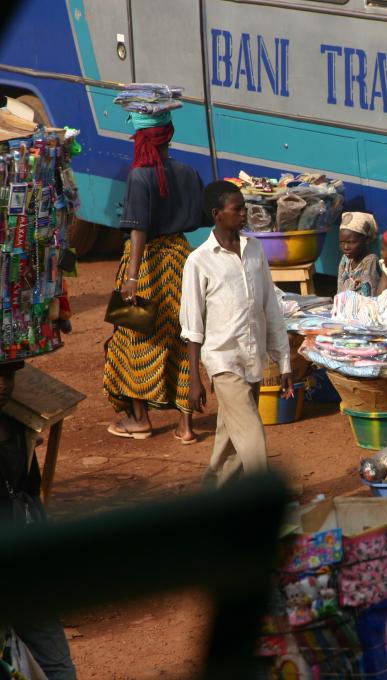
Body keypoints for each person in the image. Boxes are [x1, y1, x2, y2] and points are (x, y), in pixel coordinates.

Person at [180, 181, 292, 486]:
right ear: (217, 214)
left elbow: (270, 307)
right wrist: (194, 379)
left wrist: (283, 362)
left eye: (245, 208)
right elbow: (192, 326)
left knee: (230, 438)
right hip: (223, 361)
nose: (244, 214)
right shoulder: (199, 261)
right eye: (237, 209)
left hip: (252, 358)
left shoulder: (254, 250)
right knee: (251, 432)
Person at [102, 107, 202, 444]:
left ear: (142, 139)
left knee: (134, 337)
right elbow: (199, 216)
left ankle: (139, 419)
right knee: (183, 335)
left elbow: (139, 229)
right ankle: (186, 427)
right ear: (168, 136)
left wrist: (132, 278)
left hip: (147, 265)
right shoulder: (187, 171)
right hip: (181, 259)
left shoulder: (139, 176)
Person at [0, 361, 78, 679]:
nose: (3, 385)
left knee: (57, 662)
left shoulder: (20, 424)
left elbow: (31, 490)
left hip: (26, 567)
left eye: (8, 376)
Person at [336, 211, 383, 297]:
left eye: (351, 242)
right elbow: (340, 289)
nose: (345, 247)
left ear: (366, 240)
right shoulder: (345, 259)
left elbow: (368, 297)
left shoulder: (370, 261)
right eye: (342, 242)